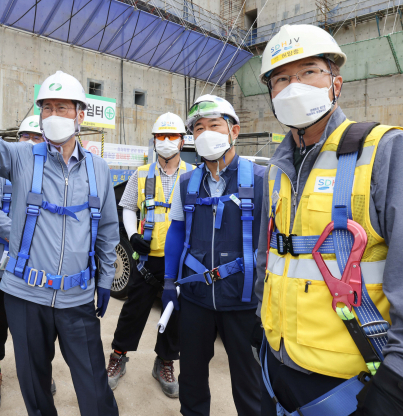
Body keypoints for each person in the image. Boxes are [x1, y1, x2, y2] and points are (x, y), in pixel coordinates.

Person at [0, 70, 120, 416]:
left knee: (95, 387)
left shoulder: (99, 169)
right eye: (46, 108)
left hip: (77, 298)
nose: (52, 116)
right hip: (25, 296)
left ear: (80, 116)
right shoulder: (22, 158)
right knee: (35, 385)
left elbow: (108, 229)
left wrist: (105, 278)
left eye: (61, 108)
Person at [252, 23, 403, 416]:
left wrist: (396, 380)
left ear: (336, 82)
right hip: (277, 362)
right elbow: (269, 257)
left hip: (351, 381)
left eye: (308, 72)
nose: (294, 86)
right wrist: (260, 326)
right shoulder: (276, 169)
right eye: (281, 78)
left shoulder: (383, 151)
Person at [163, 95, 265, 415]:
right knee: (191, 377)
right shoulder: (186, 184)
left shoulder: (262, 180)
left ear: (234, 131)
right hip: (196, 299)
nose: (206, 132)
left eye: (214, 125)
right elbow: (177, 232)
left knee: (251, 384)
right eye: (199, 128)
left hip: (244, 300)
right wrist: (169, 283)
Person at [106, 112, 190, 397]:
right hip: (148, 259)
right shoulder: (141, 174)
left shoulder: (191, 175)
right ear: (154, 141)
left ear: (182, 141)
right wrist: (132, 236)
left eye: (172, 136)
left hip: (178, 260)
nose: (166, 142)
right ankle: (118, 357)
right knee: (133, 311)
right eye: (161, 137)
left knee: (174, 313)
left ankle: (165, 362)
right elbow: (128, 206)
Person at [0, 115, 55, 413]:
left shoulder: (51, 174)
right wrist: (24, 240)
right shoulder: (1, 172)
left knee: (38, 324)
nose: (29, 142)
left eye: (36, 137)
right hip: (5, 264)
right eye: (25, 135)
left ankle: (38, 372)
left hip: (40, 266)